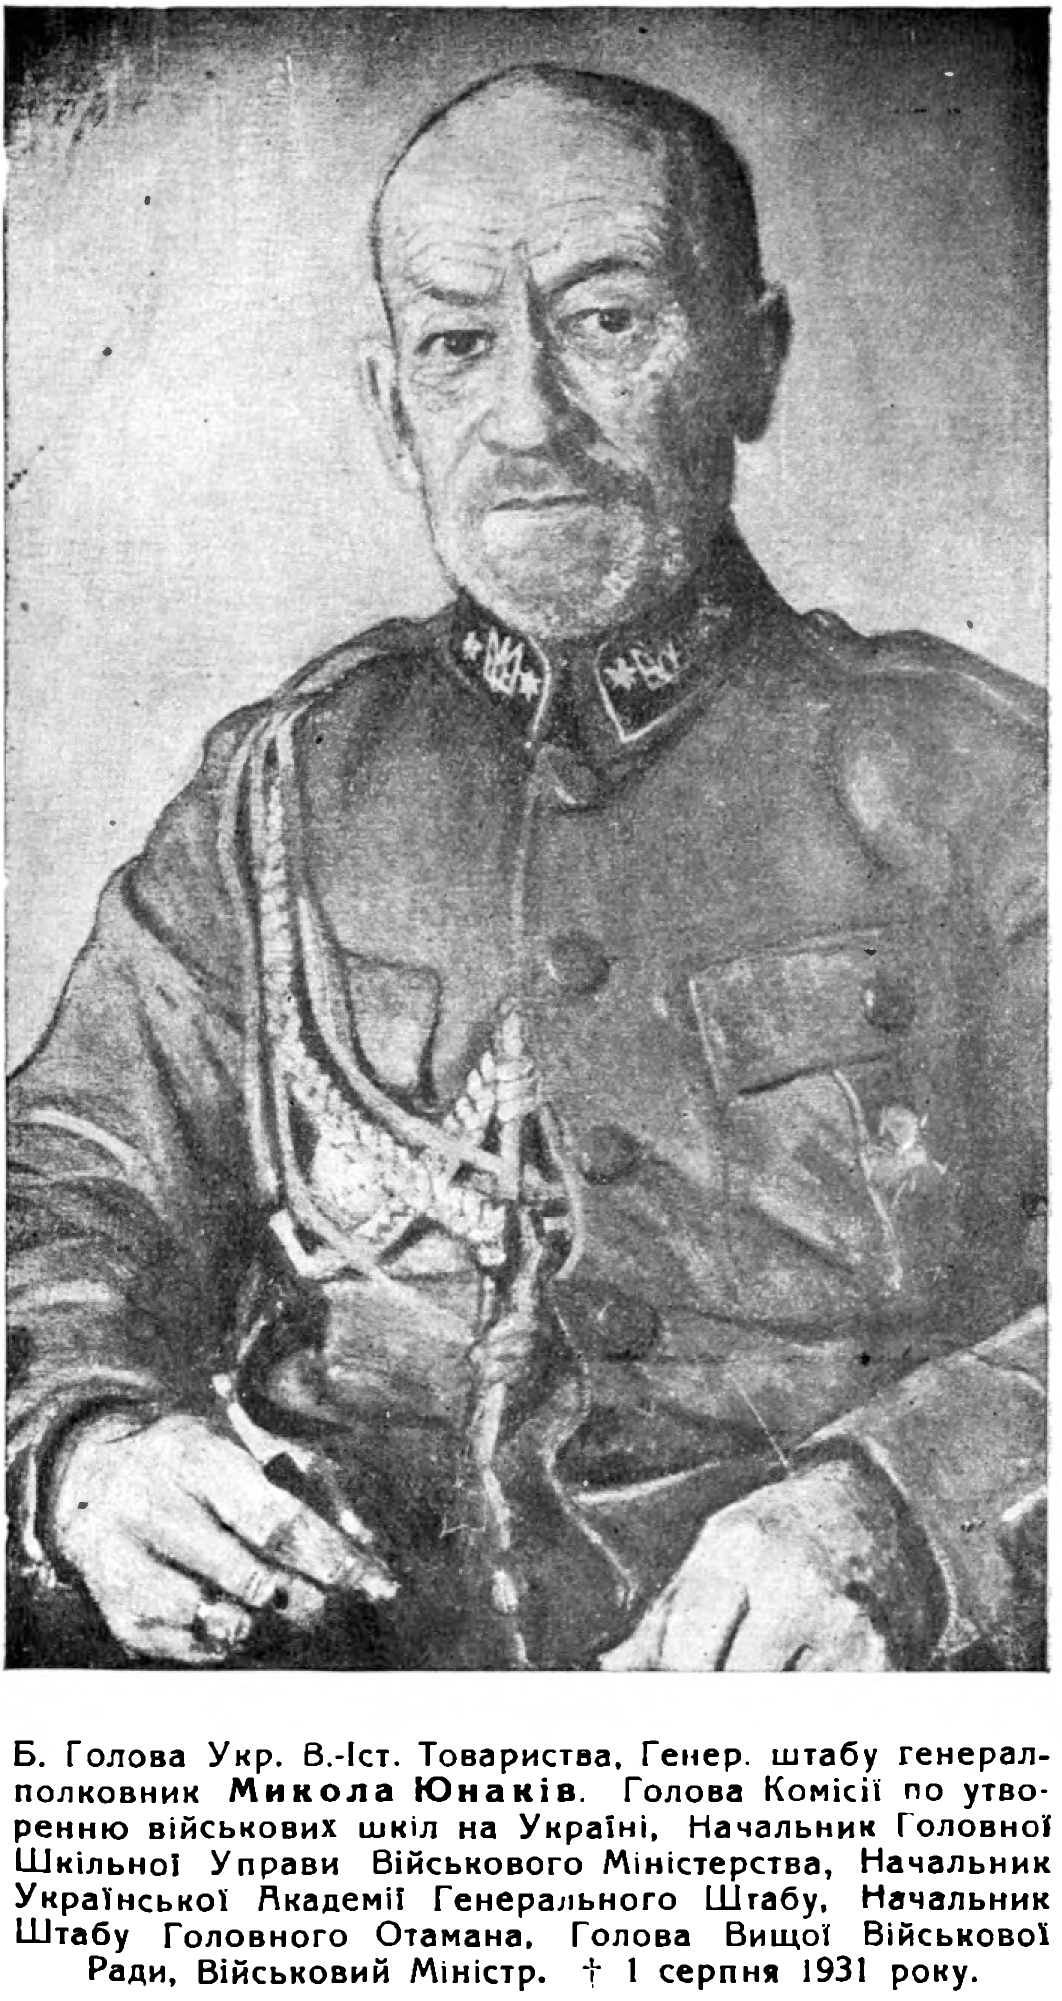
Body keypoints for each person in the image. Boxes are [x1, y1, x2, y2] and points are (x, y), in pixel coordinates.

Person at [8, 66, 1045, 1672]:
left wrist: (893, 1514)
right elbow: (57, 1180)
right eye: (455, 345)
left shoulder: (982, 781)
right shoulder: (281, 787)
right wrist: (87, 1448)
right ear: (389, 407)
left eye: (606, 322)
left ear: (752, 361)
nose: (526, 419)